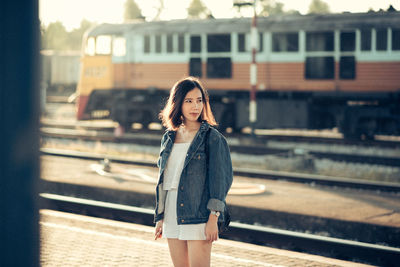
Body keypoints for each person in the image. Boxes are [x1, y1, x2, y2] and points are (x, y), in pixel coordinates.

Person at [154, 77, 233, 267]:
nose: (195, 106)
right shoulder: (169, 137)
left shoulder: (212, 138)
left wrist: (213, 218)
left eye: (199, 100)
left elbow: (221, 180)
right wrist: (160, 217)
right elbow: (164, 180)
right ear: (178, 103)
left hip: (199, 214)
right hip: (172, 213)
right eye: (188, 101)